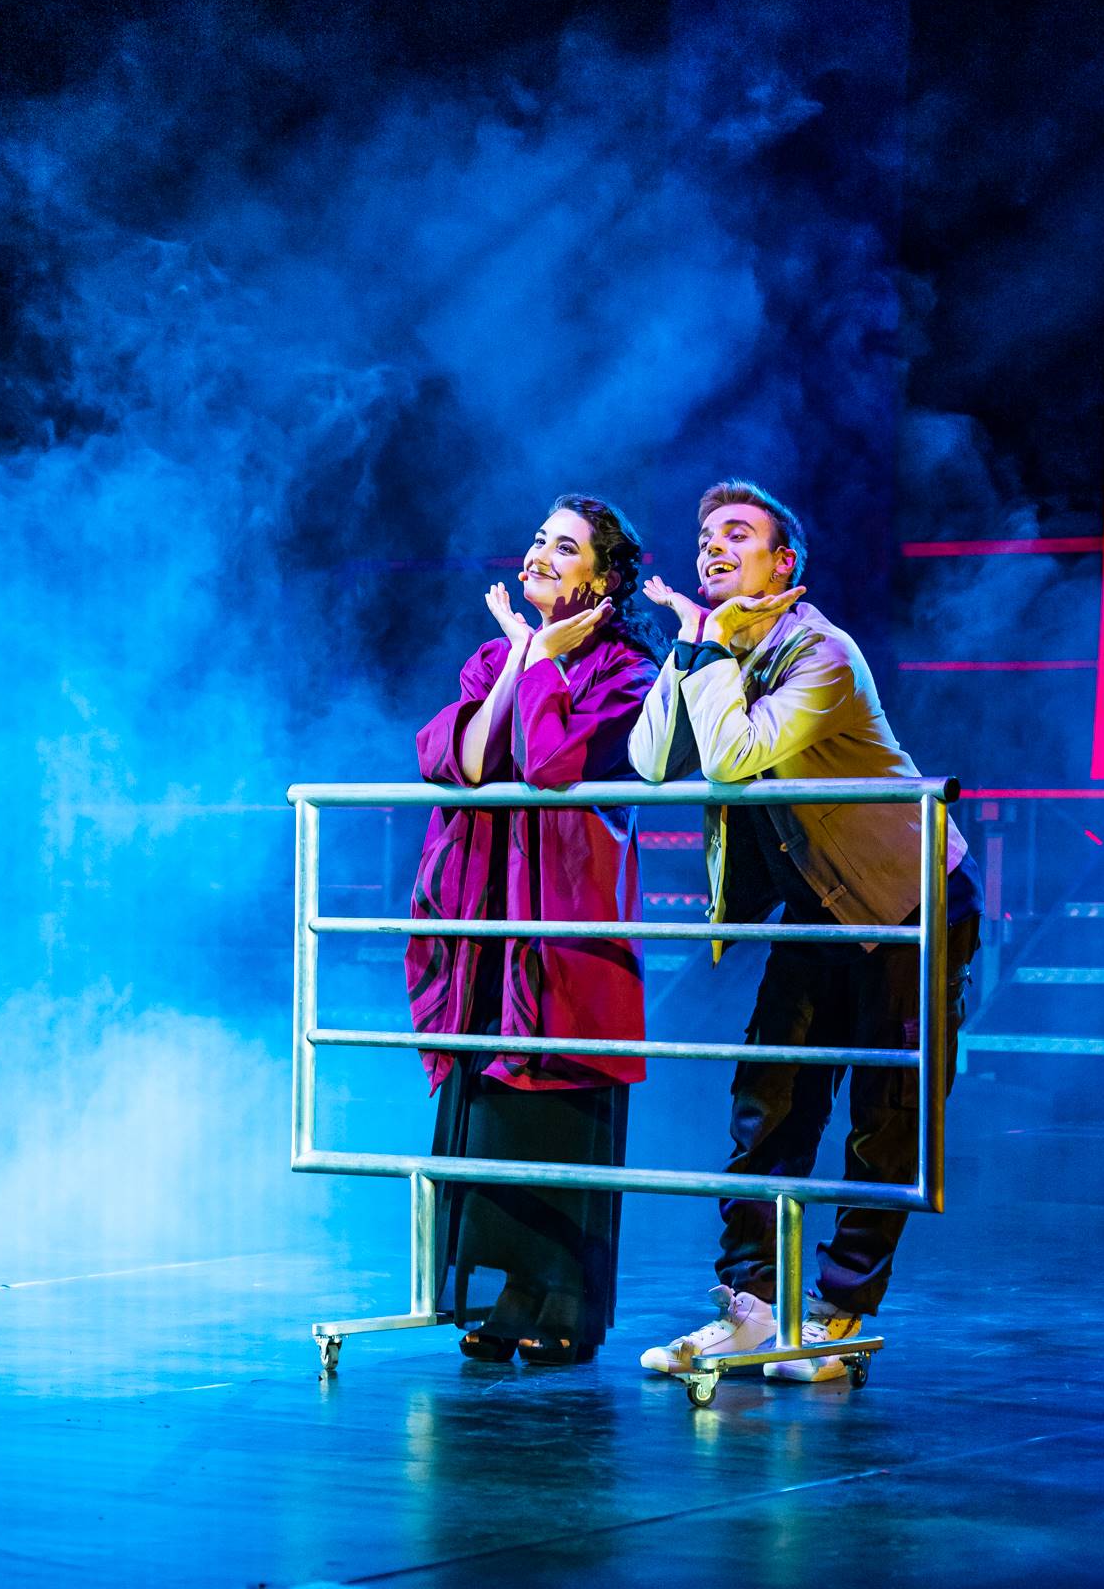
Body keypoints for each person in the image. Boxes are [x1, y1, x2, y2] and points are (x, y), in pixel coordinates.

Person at [628, 479, 982, 1382]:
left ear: (783, 564)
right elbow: (651, 760)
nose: (712, 546)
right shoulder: (718, 649)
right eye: (705, 535)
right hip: (821, 906)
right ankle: (751, 1305)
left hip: (908, 899)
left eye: (736, 533)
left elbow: (734, 756)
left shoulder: (820, 651)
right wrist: (688, 647)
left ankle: (840, 1313)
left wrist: (708, 651)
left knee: (889, 1113)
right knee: (770, 1099)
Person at [409, 493, 663, 1366]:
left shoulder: (629, 673)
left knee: (555, 1103)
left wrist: (546, 664)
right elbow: (465, 759)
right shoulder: (499, 655)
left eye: (566, 547)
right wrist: (524, 654)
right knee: (491, 1108)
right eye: (538, 540)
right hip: (487, 923)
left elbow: (553, 762)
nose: (541, 555)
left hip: (565, 926)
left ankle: (559, 1301)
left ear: (606, 576)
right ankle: (510, 1289)